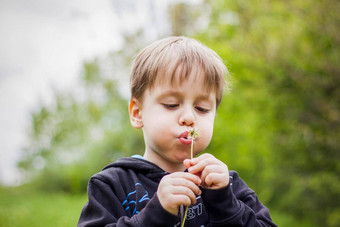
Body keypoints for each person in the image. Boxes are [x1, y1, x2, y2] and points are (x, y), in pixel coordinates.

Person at [78, 36, 277, 227]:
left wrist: (225, 203)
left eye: (202, 109)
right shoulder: (113, 184)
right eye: (171, 104)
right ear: (138, 113)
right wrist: (155, 215)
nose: (189, 118)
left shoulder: (229, 185)